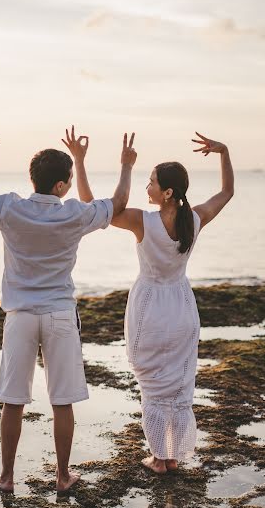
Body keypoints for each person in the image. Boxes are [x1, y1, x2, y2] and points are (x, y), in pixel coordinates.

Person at [0, 118, 137, 493]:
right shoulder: (74, 214)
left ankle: (6, 477)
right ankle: (64, 476)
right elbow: (117, 204)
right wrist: (126, 164)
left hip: (20, 317)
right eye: (68, 179)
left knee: (13, 400)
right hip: (59, 315)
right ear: (61, 185)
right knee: (63, 400)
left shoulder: (9, 208)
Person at [74, 131, 234, 474]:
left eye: (151, 182)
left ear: (167, 192)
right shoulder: (195, 218)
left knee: (152, 386)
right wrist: (224, 153)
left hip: (149, 308)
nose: (147, 187)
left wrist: (93, 163)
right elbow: (227, 192)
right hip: (182, 308)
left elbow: (92, 207)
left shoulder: (141, 221)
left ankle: (159, 459)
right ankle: (172, 456)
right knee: (178, 384)